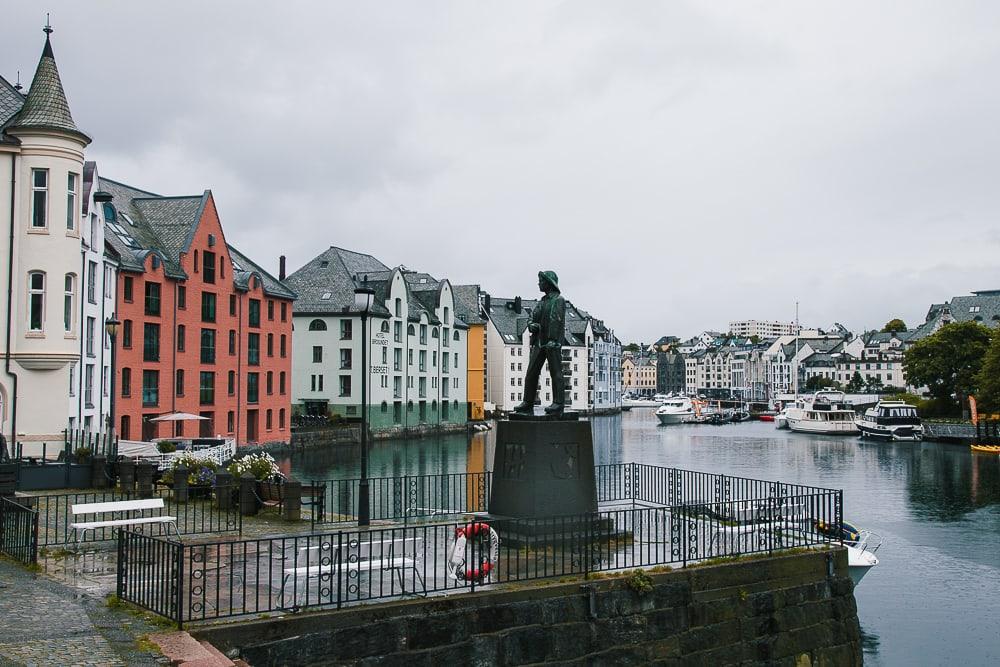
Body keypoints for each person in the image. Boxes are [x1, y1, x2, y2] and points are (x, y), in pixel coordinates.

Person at [513, 270, 566, 415]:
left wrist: (554, 340)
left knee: (556, 373)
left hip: (552, 343)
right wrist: (531, 325)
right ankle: (527, 402)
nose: (538, 284)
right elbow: (531, 317)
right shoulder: (542, 302)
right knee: (531, 373)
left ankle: (558, 403)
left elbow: (557, 320)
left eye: (541, 281)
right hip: (539, 342)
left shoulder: (559, 300)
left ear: (548, 283)